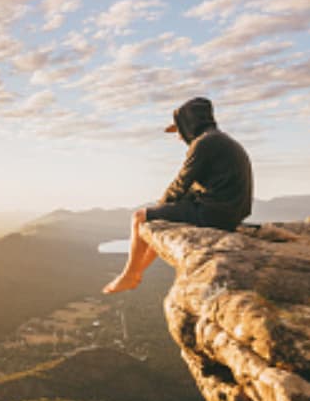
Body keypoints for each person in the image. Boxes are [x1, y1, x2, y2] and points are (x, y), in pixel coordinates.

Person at [103, 97, 252, 294]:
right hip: (230, 213)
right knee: (164, 216)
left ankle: (130, 274)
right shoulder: (221, 140)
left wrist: (158, 207)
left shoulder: (203, 143)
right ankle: (136, 272)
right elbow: (198, 185)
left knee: (139, 217)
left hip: (214, 213)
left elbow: (181, 183)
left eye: (179, 130)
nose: (179, 137)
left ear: (189, 125)